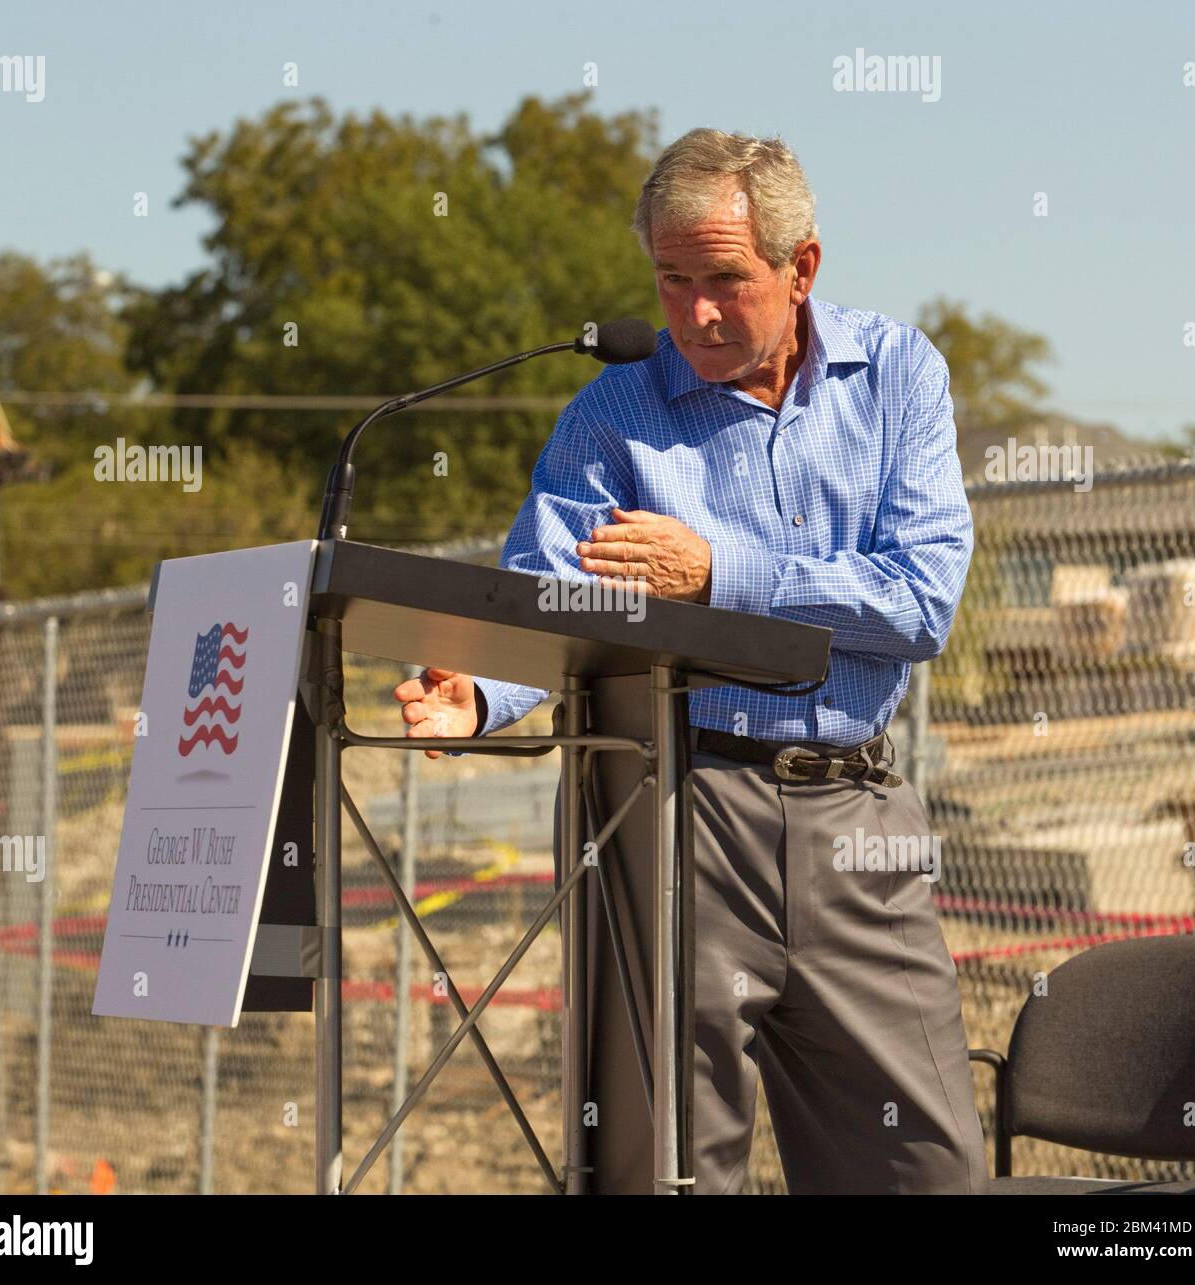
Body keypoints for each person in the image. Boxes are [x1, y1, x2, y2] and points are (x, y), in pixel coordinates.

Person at [392, 127, 988, 1194]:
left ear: (802, 266)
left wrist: (720, 571)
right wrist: (480, 690)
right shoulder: (609, 415)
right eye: (672, 281)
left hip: (858, 825)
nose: (697, 312)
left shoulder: (898, 375)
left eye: (725, 279)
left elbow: (919, 603)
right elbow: (551, 599)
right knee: (669, 1164)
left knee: (925, 1164)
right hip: (673, 812)